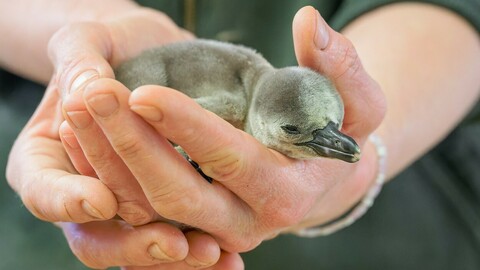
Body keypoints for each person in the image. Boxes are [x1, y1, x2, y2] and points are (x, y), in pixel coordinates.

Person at [2, 0, 479, 269]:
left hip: (403, 229)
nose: (334, 142)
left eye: (330, 129)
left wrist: (371, 150)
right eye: (305, 132)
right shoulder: (233, 102)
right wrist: (84, 44)